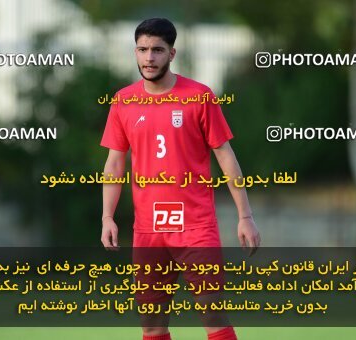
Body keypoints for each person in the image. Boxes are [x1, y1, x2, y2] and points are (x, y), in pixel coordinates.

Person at [100, 18, 260, 340]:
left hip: (195, 226)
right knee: (152, 326)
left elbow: (226, 157)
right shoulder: (123, 101)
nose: (149, 58)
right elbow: (115, 164)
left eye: (157, 50)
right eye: (143, 50)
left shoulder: (199, 97)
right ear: (135, 52)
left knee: (213, 316)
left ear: (172, 53)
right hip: (148, 230)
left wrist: (245, 216)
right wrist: (107, 217)